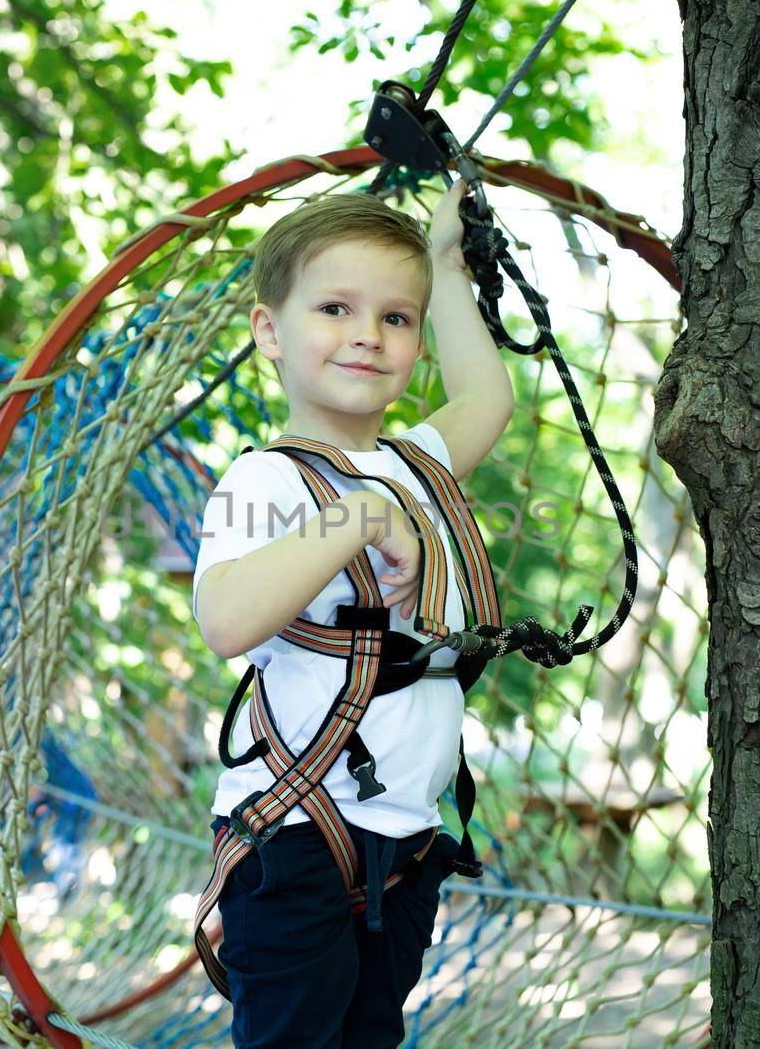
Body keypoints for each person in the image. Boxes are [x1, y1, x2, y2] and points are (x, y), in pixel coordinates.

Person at [190, 178, 514, 1049]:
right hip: (297, 839)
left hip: (403, 845)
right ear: (271, 331)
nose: (368, 333)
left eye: (397, 318)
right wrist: (360, 514)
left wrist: (444, 264)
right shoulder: (267, 480)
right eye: (335, 307)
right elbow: (225, 620)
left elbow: (489, 401)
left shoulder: (419, 464)